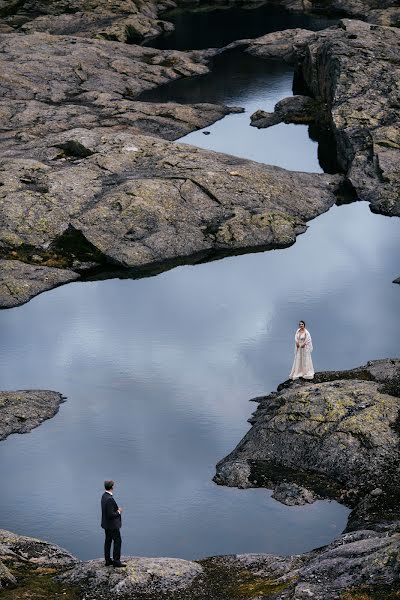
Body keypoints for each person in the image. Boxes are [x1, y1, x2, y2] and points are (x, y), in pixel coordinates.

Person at [101, 480, 126, 567]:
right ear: (112, 487)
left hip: (106, 525)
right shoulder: (110, 499)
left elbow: (107, 512)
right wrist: (119, 511)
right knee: (117, 541)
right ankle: (116, 561)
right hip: (112, 526)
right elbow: (111, 515)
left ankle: (108, 560)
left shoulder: (104, 496)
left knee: (108, 541)